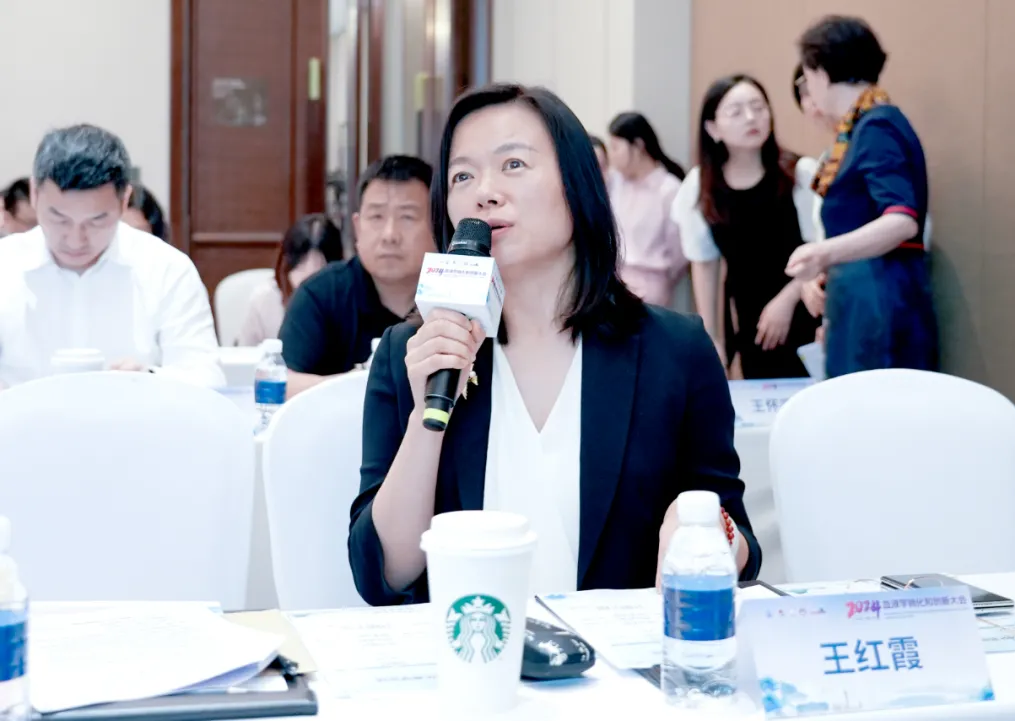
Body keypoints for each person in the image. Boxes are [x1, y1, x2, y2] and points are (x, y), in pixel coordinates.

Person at [348, 83, 760, 606]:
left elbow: (742, 548)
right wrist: (425, 423)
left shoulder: (675, 351)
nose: (484, 192)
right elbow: (383, 575)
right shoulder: (412, 351)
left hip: (619, 656)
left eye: (513, 164)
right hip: (466, 649)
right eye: (462, 176)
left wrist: (703, 528)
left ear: (577, 183)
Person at [0, 124, 224, 389]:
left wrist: (149, 378)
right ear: (34, 194)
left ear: (124, 199)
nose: (75, 240)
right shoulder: (6, 264)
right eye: (59, 218)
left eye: (96, 220)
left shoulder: (166, 268)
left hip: (135, 415)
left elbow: (208, 378)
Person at [786, 16, 938, 377]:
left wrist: (823, 253)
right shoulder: (866, 126)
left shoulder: (876, 127)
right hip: (866, 297)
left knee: (872, 404)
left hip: (877, 299)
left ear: (821, 73)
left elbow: (901, 220)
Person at [672, 75, 819, 379]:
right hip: (750, 320)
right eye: (736, 112)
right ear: (712, 128)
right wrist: (712, 337)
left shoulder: (799, 174)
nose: (751, 118)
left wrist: (787, 298)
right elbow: (705, 265)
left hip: (806, 308)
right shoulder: (701, 186)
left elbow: (820, 250)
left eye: (758, 107)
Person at [278, 155, 434, 398]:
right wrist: (365, 384)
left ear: (437, 225)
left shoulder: (456, 298)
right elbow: (282, 383)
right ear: (358, 227)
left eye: (407, 217)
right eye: (376, 217)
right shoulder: (321, 294)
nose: (390, 235)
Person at [606, 112, 687, 307]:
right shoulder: (617, 183)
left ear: (638, 146)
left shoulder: (669, 189)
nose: (611, 156)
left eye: (616, 148)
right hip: (614, 283)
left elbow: (679, 252)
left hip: (651, 287)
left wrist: (660, 280)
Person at [237, 214, 344, 347]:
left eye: (318, 269)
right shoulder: (264, 299)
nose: (306, 279)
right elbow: (244, 354)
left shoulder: (348, 301)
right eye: (300, 265)